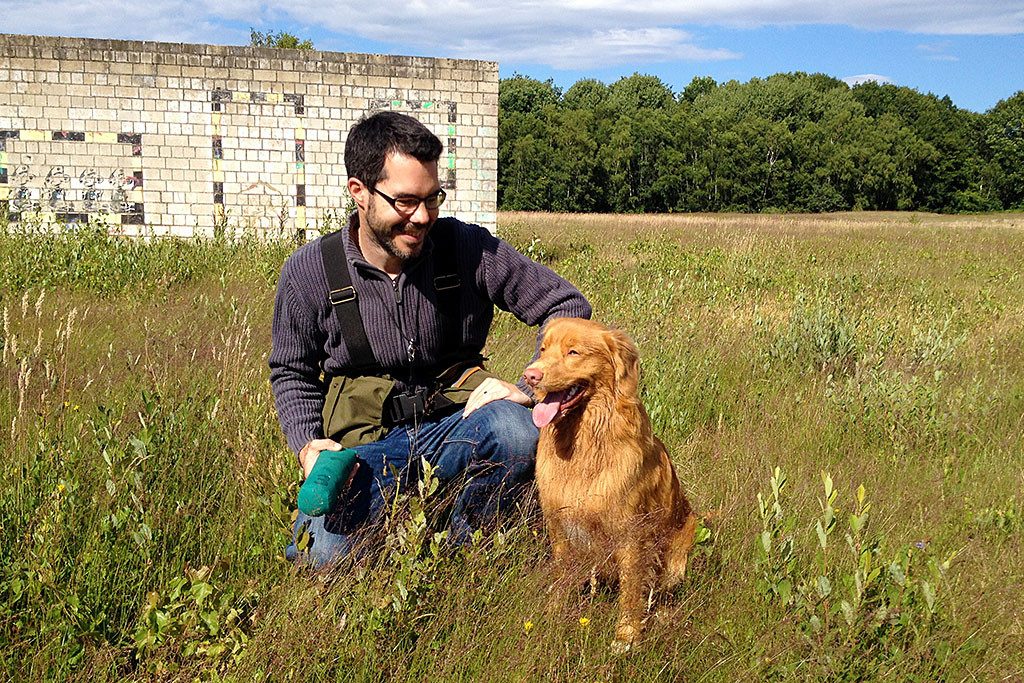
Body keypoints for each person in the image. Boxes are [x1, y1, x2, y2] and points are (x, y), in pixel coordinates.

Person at [269, 111, 591, 567]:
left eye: (432, 198)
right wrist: (307, 444)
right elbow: (291, 372)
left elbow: (566, 305)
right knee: (324, 557)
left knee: (516, 430)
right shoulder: (309, 271)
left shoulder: (466, 247)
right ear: (358, 192)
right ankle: (392, 526)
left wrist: (526, 388)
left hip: (459, 426)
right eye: (404, 201)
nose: (422, 217)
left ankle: (464, 552)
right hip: (365, 447)